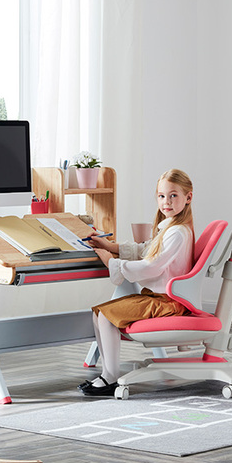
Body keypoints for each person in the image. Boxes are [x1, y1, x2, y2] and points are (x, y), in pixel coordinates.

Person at [78, 169, 196, 397]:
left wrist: (112, 262)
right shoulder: (170, 228)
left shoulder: (178, 233)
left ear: (188, 197)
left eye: (173, 195)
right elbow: (146, 249)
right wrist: (111, 247)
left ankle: (110, 378)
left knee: (106, 316)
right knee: (98, 313)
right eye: (161, 196)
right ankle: (108, 374)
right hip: (159, 298)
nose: (166, 201)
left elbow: (152, 266)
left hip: (167, 302)